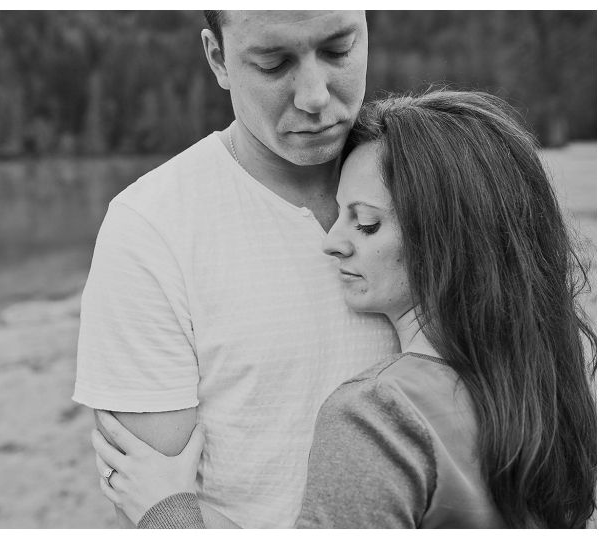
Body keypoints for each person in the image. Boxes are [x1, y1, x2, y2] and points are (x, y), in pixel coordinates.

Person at [90, 89, 598, 528]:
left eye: (367, 224)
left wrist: (167, 511)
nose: (331, 242)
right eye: (339, 214)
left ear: (446, 238)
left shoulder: (376, 416)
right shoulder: (544, 385)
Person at [72, 10, 399, 528]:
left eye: (339, 50)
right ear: (218, 58)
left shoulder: (433, 183)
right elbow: (152, 507)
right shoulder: (151, 228)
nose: (315, 96)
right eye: (274, 64)